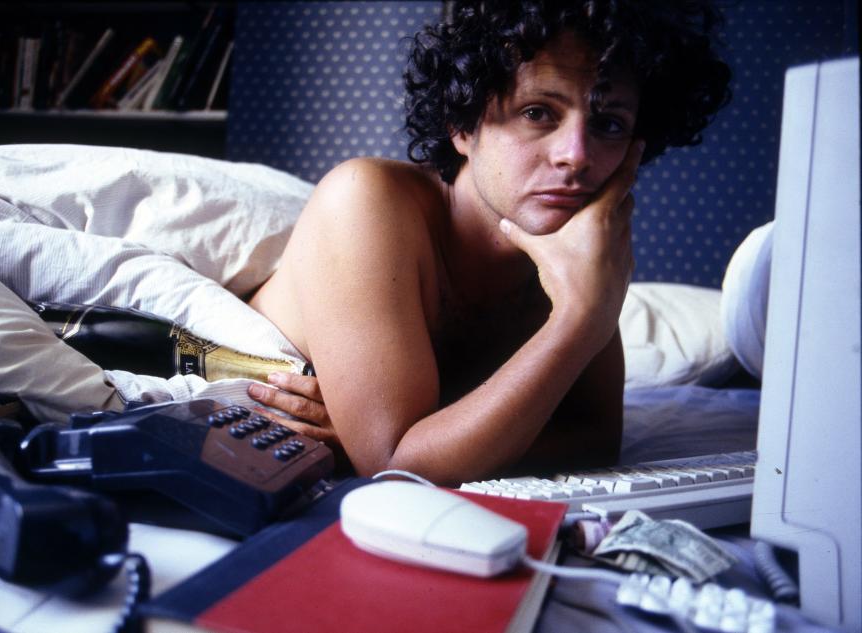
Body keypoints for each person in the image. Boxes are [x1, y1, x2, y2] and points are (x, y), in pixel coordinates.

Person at [243, 0, 731, 486]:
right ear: (463, 125)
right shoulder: (365, 198)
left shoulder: (573, 252)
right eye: (538, 112)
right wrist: (580, 320)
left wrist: (445, 445)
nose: (576, 156)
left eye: (608, 125)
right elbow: (398, 465)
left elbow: (597, 438)